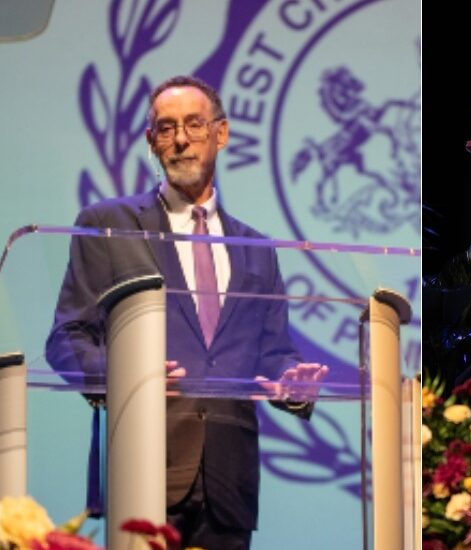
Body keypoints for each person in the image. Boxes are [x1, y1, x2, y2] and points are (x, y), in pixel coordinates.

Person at [46, 75, 329, 549]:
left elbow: (273, 352)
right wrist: (127, 376)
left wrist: (292, 382)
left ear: (221, 134)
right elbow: (67, 337)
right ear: (150, 141)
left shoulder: (256, 248)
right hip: (140, 464)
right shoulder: (109, 225)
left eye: (194, 125)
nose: (180, 139)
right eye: (165, 127)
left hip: (228, 483)